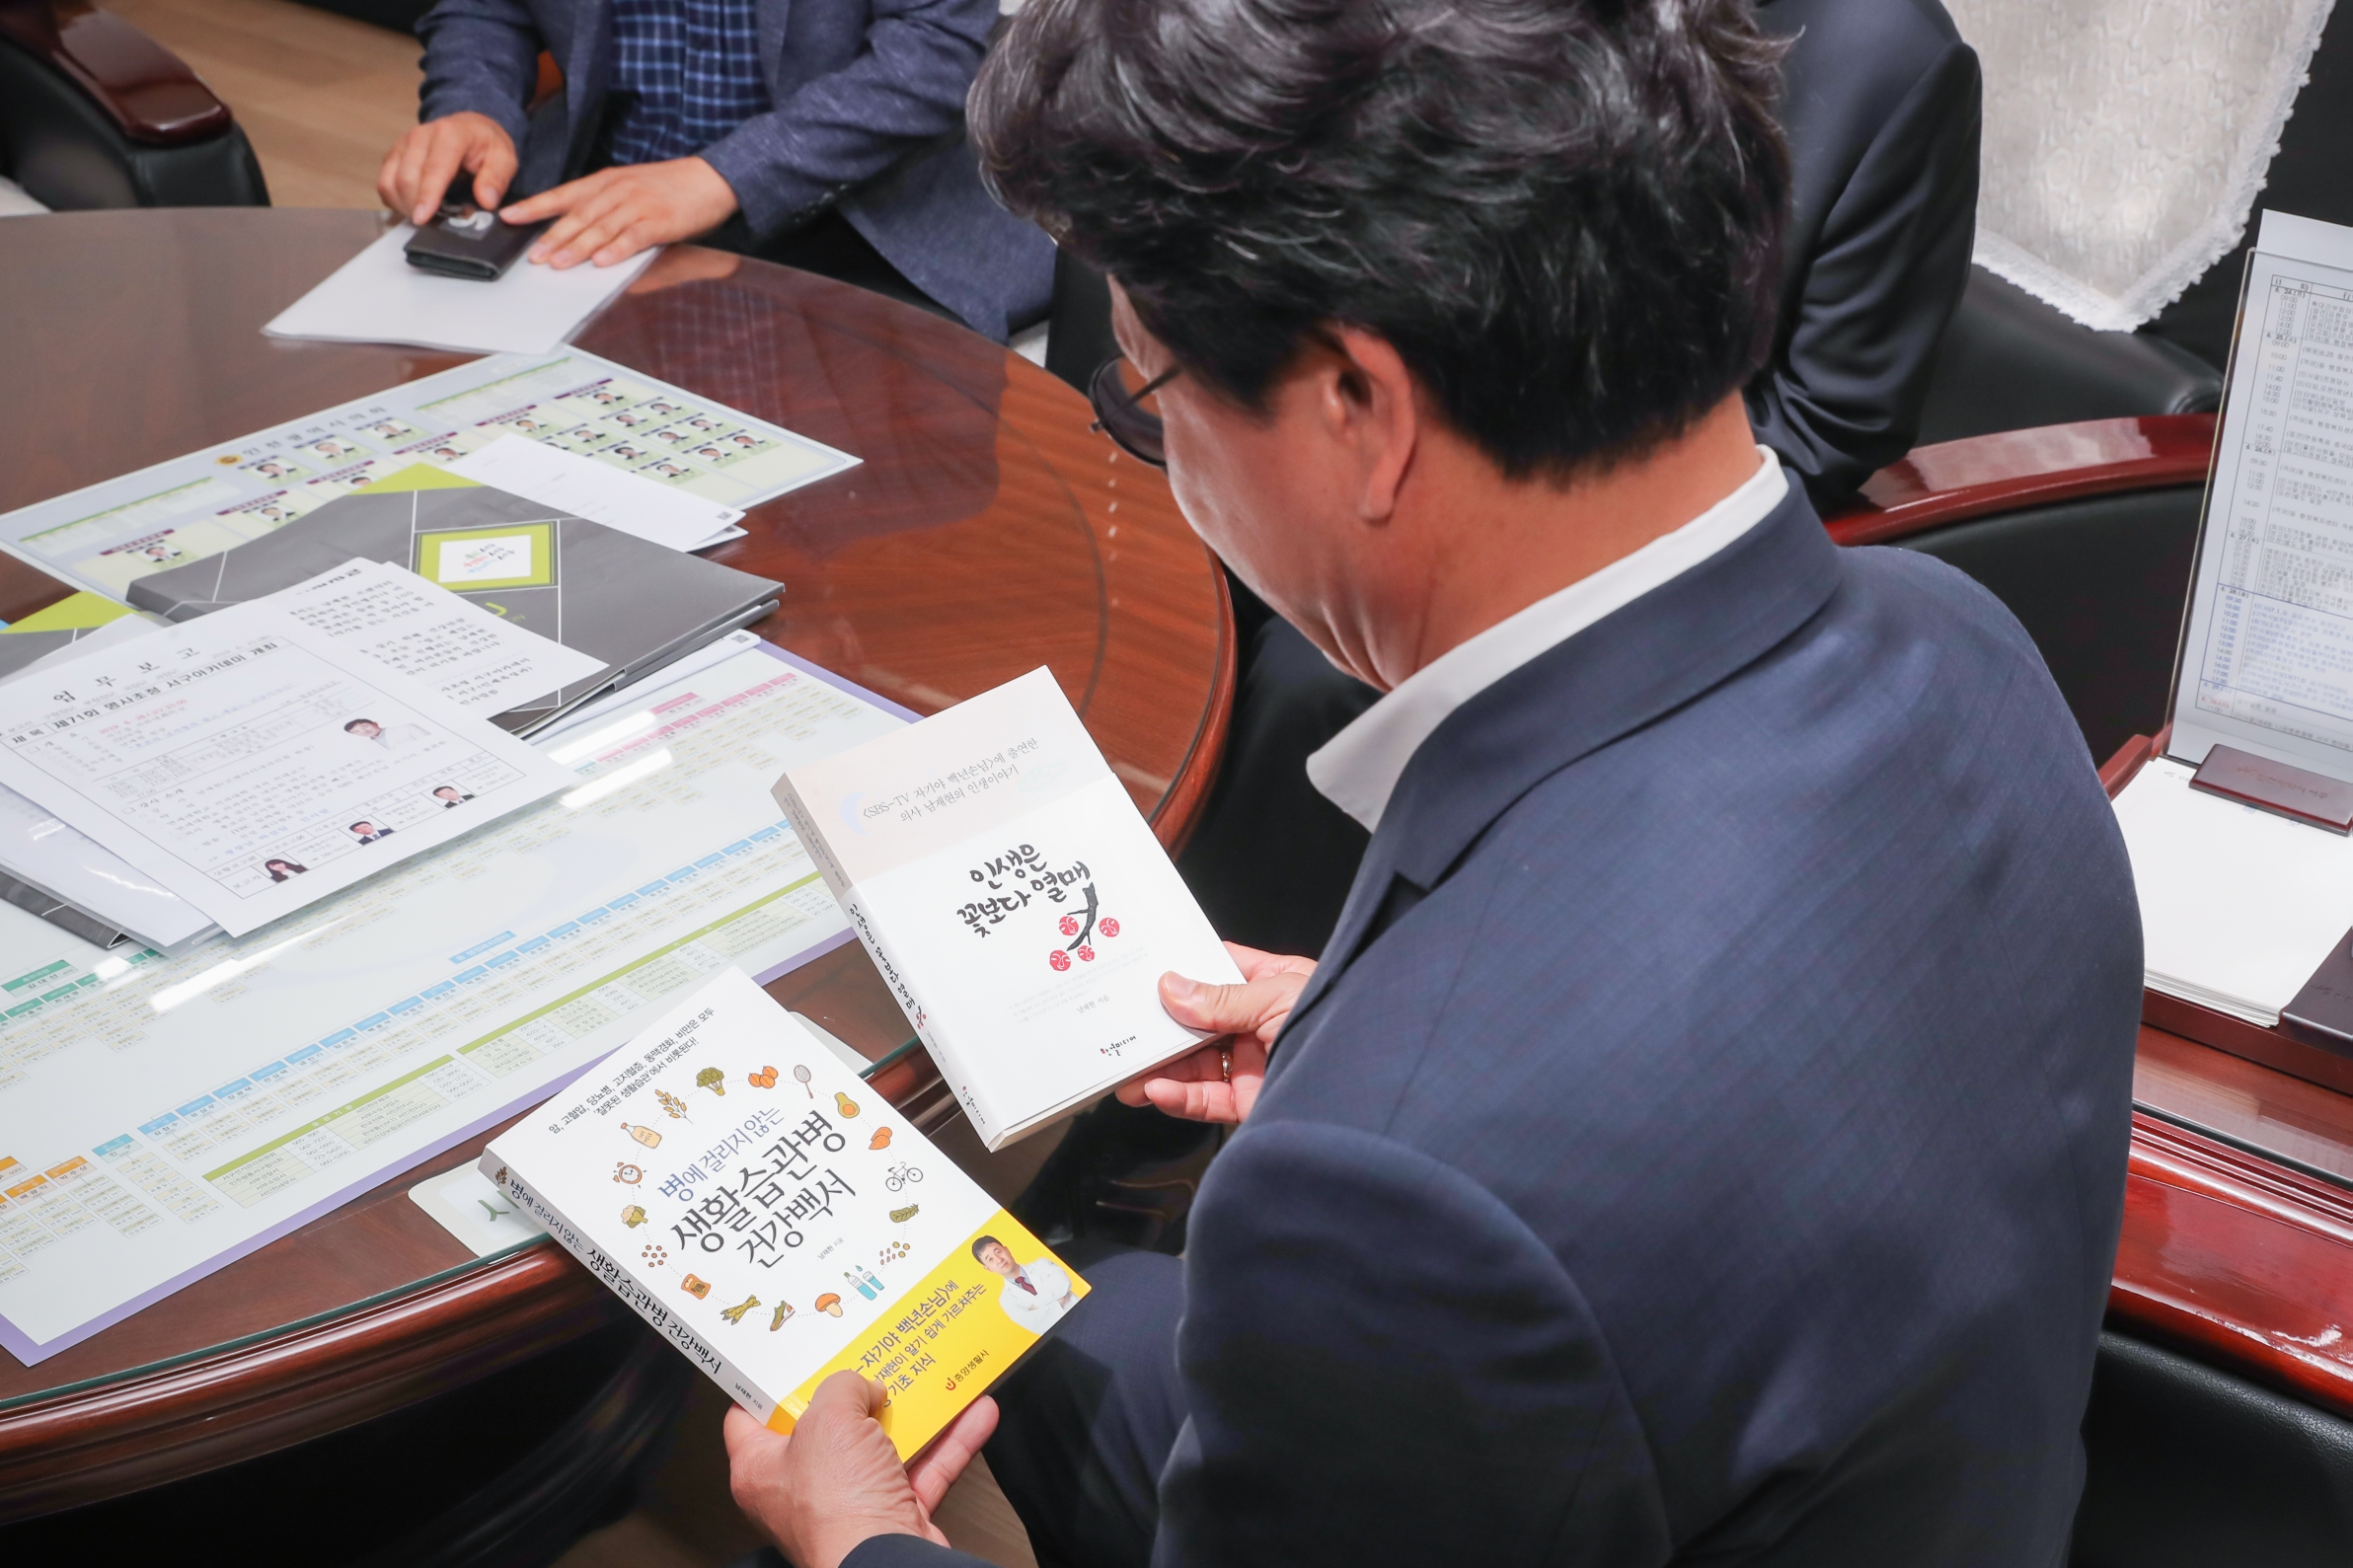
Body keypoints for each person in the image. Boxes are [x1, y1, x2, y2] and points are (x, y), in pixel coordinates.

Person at [721, 1, 2140, 1565]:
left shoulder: (1408, 1198)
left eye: (1149, 391)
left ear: (1363, 409)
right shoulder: (1970, 645)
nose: (1161, 450)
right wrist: (1363, 1036)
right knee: (1089, 1324)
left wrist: (863, 1546)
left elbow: (1510, 1162)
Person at [1169, 0, 1984, 967]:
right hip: (1429, 404)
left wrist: (1541, 479)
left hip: (1626, 522)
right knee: (1194, 554)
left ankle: (1238, 1002)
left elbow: (1830, 420)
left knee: (1317, 673)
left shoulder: (1892, 61)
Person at [381, 0, 1054, 339]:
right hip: (601, 191)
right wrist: (474, 106)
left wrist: (726, 174)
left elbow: (936, 53)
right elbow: (485, 8)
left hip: (864, 213)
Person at [970, 1235, 1074, 1335]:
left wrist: (1036, 1306)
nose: (999, 1259)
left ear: (1007, 1250)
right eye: (990, 1259)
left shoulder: (1041, 1263)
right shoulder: (1006, 1300)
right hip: (1058, 1335)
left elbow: (1064, 1281)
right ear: (988, 1268)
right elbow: (1034, 1325)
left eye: (998, 1252)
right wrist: (1058, 1301)